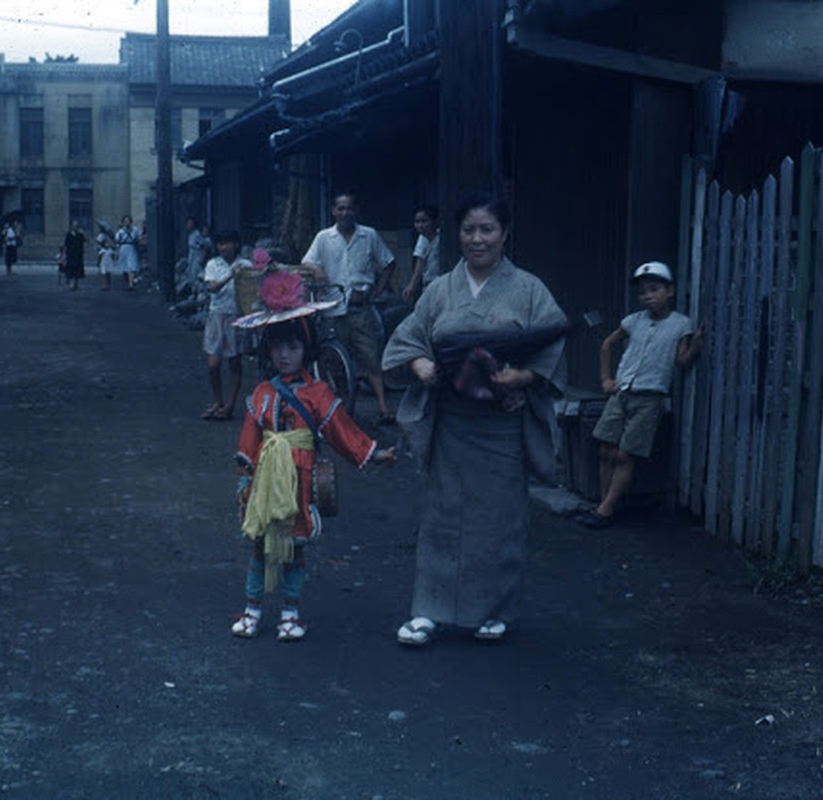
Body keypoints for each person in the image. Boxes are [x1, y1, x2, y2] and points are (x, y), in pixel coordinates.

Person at [382, 191, 568, 646]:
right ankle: (429, 610)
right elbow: (408, 339)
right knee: (442, 515)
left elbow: (553, 346)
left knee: (498, 517)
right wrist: (419, 365)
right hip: (453, 421)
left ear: (505, 234)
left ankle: (493, 609)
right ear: (458, 235)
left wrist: (520, 376)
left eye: (487, 229)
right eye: (469, 230)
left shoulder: (528, 289)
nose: (478, 239)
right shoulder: (440, 289)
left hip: (501, 424)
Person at [231, 283, 397, 641]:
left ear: (307, 349)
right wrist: (245, 479)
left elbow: (340, 430)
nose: (284, 354)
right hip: (265, 482)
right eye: (277, 347)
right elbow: (249, 440)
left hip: (299, 480)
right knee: (260, 547)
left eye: (292, 346)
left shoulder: (319, 393)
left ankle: (290, 615)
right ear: (267, 351)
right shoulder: (262, 393)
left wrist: (373, 453)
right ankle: (252, 611)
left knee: (294, 549)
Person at [575, 261, 704, 529]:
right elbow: (607, 345)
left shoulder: (681, 323)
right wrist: (606, 378)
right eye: (643, 291)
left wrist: (695, 346)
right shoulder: (633, 321)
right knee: (606, 447)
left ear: (670, 291)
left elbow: (681, 361)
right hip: (622, 392)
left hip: (650, 397)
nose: (647, 295)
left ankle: (605, 509)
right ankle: (605, 503)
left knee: (625, 454)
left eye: (654, 289)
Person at [300, 191, 398, 424]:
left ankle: (383, 406)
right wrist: (316, 270)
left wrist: (378, 289)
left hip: (360, 309)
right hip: (332, 309)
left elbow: (389, 262)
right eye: (340, 208)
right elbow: (307, 260)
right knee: (335, 361)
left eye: (349, 208)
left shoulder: (369, 235)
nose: (345, 213)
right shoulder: (324, 237)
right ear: (333, 211)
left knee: (371, 356)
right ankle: (344, 402)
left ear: (356, 210)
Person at [201, 231, 250, 421]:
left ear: (235, 245)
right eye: (220, 244)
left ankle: (229, 404)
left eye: (226, 243)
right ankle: (218, 400)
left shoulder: (245, 265)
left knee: (235, 363)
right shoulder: (213, 264)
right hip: (217, 316)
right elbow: (212, 287)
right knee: (213, 364)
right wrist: (230, 275)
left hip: (237, 317)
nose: (223, 247)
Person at [402, 204, 441, 305]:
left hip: (441, 284)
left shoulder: (441, 239)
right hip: (428, 285)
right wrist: (412, 285)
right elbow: (420, 263)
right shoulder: (422, 238)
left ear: (433, 221)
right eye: (417, 222)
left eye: (424, 221)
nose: (420, 225)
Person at [115, 215, 141, 290]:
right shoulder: (120, 232)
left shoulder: (135, 230)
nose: (127, 223)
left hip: (131, 247)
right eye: (125, 221)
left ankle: (131, 284)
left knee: (131, 265)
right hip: (124, 248)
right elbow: (117, 240)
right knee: (124, 267)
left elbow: (137, 238)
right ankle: (129, 280)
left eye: (128, 221)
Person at [63, 220, 87, 291]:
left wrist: (83, 233)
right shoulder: (69, 235)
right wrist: (64, 256)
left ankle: (76, 284)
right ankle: (71, 284)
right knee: (71, 270)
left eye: (76, 226)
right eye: (74, 225)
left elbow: (86, 240)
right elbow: (66, 245)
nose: (75, 227)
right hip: (71, 255)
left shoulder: (80, 235)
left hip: (78, 254)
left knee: (78, 270)